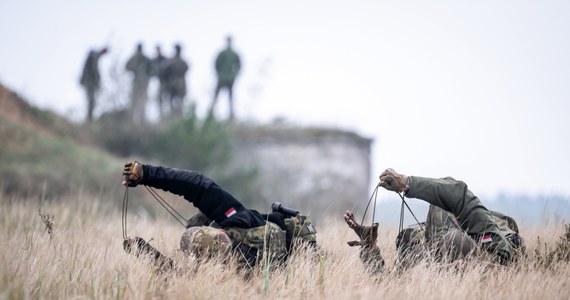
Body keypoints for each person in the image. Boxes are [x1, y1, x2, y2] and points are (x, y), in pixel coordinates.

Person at [121, 161, 319, 272]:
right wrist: (146, 174)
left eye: (198, 255)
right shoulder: (233, 219)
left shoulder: (244, 224)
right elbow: (196, 185)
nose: (196, 259)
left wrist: (142, 251)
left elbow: (174, 276)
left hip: (292, 257)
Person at [344, 168, 525, 274]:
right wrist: (370, 248)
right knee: (412, 238)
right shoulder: (427, 258)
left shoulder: (496, 253)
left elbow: (457, 194)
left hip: (482, 248)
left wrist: (407, 183)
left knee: (453, 235)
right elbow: (388, 286)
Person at [210, 35, 241, 119]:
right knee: (228, 98)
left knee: (222, 97)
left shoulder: (225, 53)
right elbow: (239, 66)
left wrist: (220, 73)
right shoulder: (231, 53)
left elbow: (216, 64)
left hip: (224, 78)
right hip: (227, 78)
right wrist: (234, 75)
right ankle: (213, 114)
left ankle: (213, 115)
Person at [79, 47, 108, 122]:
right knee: (91, 100)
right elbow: (94, 70)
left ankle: (89, 118)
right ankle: (89, 119)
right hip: (90, 82)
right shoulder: (94, 56)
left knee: (91, 100)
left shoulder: (93, 56)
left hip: (89, 81)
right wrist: (98, 79)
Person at [125, 43, 152, 124]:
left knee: (141, 100)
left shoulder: (144, 59)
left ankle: (140, 119)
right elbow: (127, 67)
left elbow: (153, 69)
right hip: (138, 83)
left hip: (142, 83)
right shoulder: (138, 58)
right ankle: (134, 119)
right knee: (136, 100)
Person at [162, 44, 189, 118]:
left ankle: (176, 116)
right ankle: (175, 116)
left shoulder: (172, 61)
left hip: (175, 84)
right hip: (177, 84)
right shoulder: (181, 62)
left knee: (176, 101)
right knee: (176, 101)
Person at [150, 45, 169, 120]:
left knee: (166, 99)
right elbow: (152, 71)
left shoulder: (165, 60)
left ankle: (166, 116)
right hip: (158, 82)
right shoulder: (154, 60)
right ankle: (161, 115)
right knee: (159, 99)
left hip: (166, 82)